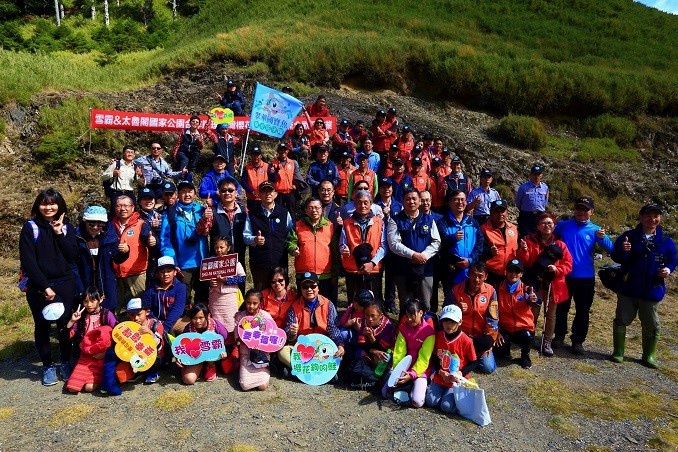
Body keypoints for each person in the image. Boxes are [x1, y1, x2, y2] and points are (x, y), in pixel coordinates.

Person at [19, 189, 79, 386]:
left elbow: (71, 255)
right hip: (39, 287)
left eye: (52, 203)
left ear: (60, 206)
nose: (48, 207)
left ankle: (65, 362)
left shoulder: (67, 227)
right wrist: (45, 286)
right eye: (44, 203)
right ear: (38, 205)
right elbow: (28, 262)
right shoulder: (30, 228)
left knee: (65, 325)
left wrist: (59, 233)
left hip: (65, 284)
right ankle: (47, 366)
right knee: (42, 326)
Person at [610, 203, 676, 368]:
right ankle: (618, 352)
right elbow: (616, 256)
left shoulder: (666, 241)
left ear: (659, 218)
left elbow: (673, 259)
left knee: (651, 324)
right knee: (621, 319)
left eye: (656, 216)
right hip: (628, 288)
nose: (652, 219)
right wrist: (623, 250)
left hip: (652, 290)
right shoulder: (628, 236)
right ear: (640, 217)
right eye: (648, 215)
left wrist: (668, 269)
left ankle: (649, 356)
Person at [553, 196, 614, 354]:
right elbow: (549, 236)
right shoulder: (563, 226)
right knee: (561, 308)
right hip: (565, 275)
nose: (581, 212)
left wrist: (603, 238)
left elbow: (612, 249)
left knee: (583, 310)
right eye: (578, 208)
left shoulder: (596, 230)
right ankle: (559, 336)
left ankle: (578, 341)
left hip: (585, 277)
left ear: (591, 212)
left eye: (585, 209)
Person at [517, 211, 572, 357]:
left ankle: (547, 340)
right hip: (535, 282)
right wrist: (523, 250)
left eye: (550, 223)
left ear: (554, 226)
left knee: (550, 314)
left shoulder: (560, 245)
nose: (547, 226)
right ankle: (531, 336)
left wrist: (557, 269)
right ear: (538, 225)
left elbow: (568, 264)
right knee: (533, 311)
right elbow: (526, 262)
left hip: (553, 284)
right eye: (543, 223)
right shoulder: (530, 241)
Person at [278, 272, 345, 373]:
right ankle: (318, 371)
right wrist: (293, 332)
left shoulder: (328, 304)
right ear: (301, 289)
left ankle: (298, 370)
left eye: (313, 286)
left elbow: (333, 329)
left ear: (318, 287)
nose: (309, 290)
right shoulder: (294, 307)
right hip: (301, 348)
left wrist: (340, 345)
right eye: (305, 287)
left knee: (338, 353)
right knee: (282, 352)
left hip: (322, 347)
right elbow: (289, 336)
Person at [387, 189, 441, 312]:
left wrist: (424, 256)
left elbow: (436, 242)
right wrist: (413, 255)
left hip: (425, 268)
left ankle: (426, 330)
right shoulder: (395, 220)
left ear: (419, 201)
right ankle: (405, 330)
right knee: (406, 304)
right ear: (403, 201)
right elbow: (393, 244)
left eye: (414, 199)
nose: (411, 201)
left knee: (425, 303)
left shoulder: (428, 219)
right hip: (403, 268)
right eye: (408, 199)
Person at [159, 180, 209, 305]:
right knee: (183, 298)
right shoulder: (170, 213)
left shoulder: (201, 210)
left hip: (202, 261)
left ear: (195, 194)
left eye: (190, 191)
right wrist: (172, 262)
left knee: (202, 297)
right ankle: (183, 323)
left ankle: (201, 322)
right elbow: (165, 240)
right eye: (183, 192)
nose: (187, 195)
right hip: (182, 263)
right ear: (178, 194)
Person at [443, 262, 499, 374]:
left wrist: (490, 341)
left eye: (480, 276)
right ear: (468, 274)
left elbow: (493, 318)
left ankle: (468, 355)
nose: (477, 279)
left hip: (479, 337)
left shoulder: (491, 291)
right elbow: (445, 313)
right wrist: (456, 308)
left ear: (486, 276)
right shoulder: (456, 290)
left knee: (489, 368)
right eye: (474, 275)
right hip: (461, 336)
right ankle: (467, 355)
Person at [381, 299, 434, 408]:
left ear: (421, 313)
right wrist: (398, 371)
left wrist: (411, 375)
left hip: (421, 371)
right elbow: (399, 353)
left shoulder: (429, 332)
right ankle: (409, 388)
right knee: (384, 393)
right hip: (404, 369)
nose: (409, 319)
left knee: (417, 402)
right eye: (407, 316)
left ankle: (424, 385)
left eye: (412, 316)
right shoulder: (403, 329)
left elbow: (424, 359)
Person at [425, 304, 477, 413]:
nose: (448, 325)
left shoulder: (466, 340)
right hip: (441, 377)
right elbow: (434, 357)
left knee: (446, 407)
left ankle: (460, 396)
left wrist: (461, 373)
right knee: (431, 402)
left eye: (452, 321)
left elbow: (474, 362)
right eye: (445, 321)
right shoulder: (438, 336)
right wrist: (440, 371)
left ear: (460, 322)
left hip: (456, 380)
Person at [65, 287, 118, 393]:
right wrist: (72, 321)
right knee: (72, 389)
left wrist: (106, 353)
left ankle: (104, 377)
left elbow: (118, 334)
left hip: (102, 356)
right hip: (85, 355)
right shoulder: (81, 317)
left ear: (101, 299)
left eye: (93, 300)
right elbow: (68, 336)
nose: (89, 305)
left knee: (89, 388)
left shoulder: (107, 315)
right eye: (85, 301)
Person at [243, 181, 293, 290]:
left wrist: (293, 247)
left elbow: (291, 235)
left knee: (280, 294)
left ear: (275, 194)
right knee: (261, 294)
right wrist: (255, 239)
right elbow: (246, 236)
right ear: (259, 194)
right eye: (264, 191)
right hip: (260, 262)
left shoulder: (284, 213)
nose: (268, 194)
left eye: (270, 191)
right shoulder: (252, 214)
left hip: (280, 261)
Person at [340, 191, 388, 302]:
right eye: (359, 203)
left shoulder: (379, 222)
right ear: (354, 204)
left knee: (373, 304)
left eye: (366, 202)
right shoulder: (346, 223)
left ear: (371, 204)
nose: (362, 206)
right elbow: (342, 244)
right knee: (354, 304)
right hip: (353, 269)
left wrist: (372, 263)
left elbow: (384, 246)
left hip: (373, 269)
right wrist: (343, 249)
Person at [111, 194, 156, 311]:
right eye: (119, 206)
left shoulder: (141, 224)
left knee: (139, 307)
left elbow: (148, 239)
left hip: (136, 272)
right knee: (116, 308)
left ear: (132, 207)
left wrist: (152, 241)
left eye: (126, 205)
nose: (123, 209)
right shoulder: (110, 225)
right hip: (116, 274)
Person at [436, 190, 484, 295]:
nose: (460, 202)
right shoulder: (442, 223)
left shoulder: (473, 222)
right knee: (452, 301)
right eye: (456, 199)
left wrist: (470, 260)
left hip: (471, 270)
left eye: (462, 199)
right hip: (451, 270)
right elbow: (439, 245)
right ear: (450, 202)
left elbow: (480, 245)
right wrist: (453, 238)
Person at [199, 176, 248, 278]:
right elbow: (202, 232)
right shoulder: (212, 211)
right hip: (218, 259)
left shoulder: (244, 211)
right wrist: (204, 219)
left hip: (239, 257)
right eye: (223, 190)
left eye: (230, 190)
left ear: (236, 192)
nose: (227, 193)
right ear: (219, 192)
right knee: (219, 289)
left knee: (238, 289)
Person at [494, 259, 539, 369]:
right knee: (499, 353)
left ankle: (525, 355)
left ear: (521, 274)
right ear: (506, 271)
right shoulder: (497, 288)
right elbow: (492, 312)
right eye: (510, 270)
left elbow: (535, 300)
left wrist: (534, 299)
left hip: (523, 328)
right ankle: (505, 350)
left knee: (528, 337)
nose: (513, 274)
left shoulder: (527, 290)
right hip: (505, 328)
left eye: (517, 271)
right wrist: (496, 331)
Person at [287, 197, 335, 297]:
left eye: (317, 208)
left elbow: (335, 248)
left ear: (322, 209)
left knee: (324, 305)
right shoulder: (297, 226)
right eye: (311, 208)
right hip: (304, 273)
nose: (314, 210)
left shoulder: (330, 226)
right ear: (305, 210)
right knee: (304, 305)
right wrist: (293, 249)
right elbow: (290, 242)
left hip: (324, 273)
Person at [348, 297, 396, 390]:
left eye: (373, 316)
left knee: (381, 358)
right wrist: (374, 351)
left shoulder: (388, 326)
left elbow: (383, 348)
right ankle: (370, 378)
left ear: (381, 315)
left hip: (385, 353)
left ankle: (380, 378)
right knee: (360, 352)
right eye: (366, 315)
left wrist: (371, 336)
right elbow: (361, 343)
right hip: (371, 351)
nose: (369, 319)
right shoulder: (364, 322)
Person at [115, 297, 163, 385]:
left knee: (156, 358)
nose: (136, 318)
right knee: (121, 371)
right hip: (135, 354)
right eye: (132, 315)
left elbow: (159, 346)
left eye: (139, 314)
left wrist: (150, 333)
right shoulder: (128, 326)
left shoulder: (155, 324)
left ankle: (152, 372)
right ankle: (139, 372)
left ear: (147, 312)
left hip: (153, 354)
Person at [75, 205, 117, 305]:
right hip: (85, 282)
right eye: (91, 224)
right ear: (85, 222)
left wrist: (125, 252)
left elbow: (117, 258)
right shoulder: (76, 237)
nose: (95, 228)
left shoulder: (110, 237)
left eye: (99, 225)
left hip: (106, 283)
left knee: (107, 314)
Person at [179, 303, 229, 384]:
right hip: (196, 357)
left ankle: (210, 366)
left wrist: (225, 352)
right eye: (194, 318)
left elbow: (227, 342)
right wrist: (180, 357)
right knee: (188, 379)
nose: (198, 321)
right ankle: (197, 368)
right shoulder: (188, 329)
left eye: (201, 317)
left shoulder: (217, 327)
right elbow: (183, 347)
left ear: (208, 316)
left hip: (214, 358)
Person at [234, 290, 274, 391]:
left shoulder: (265, 316)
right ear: (245, 301)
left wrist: (261, 345)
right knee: (245, 386)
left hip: (262, 354)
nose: (251, 306)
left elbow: (273, 334)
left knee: (262, 386)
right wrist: (248, 342)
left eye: (255, 303)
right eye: (248, 302)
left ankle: (266, 368)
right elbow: (237, 337)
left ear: (260, 302)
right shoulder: (240, 316)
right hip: (246, 355)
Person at [374, 177, 402, 313]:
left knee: (391, 274)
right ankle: (378, 300)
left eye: (389, 187)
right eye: (383, 187)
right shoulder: (374, 204)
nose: (386, 189)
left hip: (392, 245)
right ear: (379, 189)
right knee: (378, 273)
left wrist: (390, 214)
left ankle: (390, 301)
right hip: (378, 244)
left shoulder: (398, 205)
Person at [207, 236, 246, 333]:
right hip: (215, 298)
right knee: (216, 321)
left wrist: (226, 280)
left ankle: (232, 343)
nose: (218, 250)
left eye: (221, 247)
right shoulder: (210, 263)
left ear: (228, 248)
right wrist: (210, 283)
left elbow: (242, 278)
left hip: (229, 297)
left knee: (231, 320)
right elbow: (204, 279)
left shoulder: (235, 262)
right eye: (216, 247)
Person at [142, 255, 187, 336]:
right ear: (157, 274)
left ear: (175, 272)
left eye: (169, 271)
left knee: (190, 329)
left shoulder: (180, 287)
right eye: (162, 272)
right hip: (154, 321)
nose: (165, 274)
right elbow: (146, 308)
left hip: (175, 321)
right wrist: (156, 323)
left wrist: (165, 327)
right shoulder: (151, 289)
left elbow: (178, 310)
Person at [480, 199, 519, 287]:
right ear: (491, 213)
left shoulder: (513, 228)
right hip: (491, 272)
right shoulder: (483, 229)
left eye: (502, 211)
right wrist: (490, 252)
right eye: (496, 211)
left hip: (510, 272)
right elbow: (479, 250)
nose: (500, 214)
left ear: (507, 212)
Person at [101, 145, 144, 210]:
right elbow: (103, 177)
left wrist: (140, 175)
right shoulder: (115, 164)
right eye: (128, 152)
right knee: (115, 213)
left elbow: (142, 184)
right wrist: (113, 174)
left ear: (134, 155)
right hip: (116, 193)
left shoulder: (136, 167)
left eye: (131, 152)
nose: (130, 154)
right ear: (123, 154)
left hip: (129, 193)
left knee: (132, 212)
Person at [268, 143, 303, 219]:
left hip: (290, 192)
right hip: (278, 194)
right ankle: (280, 230)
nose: (283, 151)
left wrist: (295, 185)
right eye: (281, 149)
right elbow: (271, 179)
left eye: (284, 149)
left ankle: (292, 230)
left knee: (292, 213)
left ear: (287, 151)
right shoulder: (273, 164)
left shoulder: (294, 163)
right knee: (279, 214)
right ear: (278, 151)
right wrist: (273, 172)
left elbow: (297, 176)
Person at [515, 163, 549, 239]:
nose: (536, 177)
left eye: (538, 174)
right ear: (530, 175)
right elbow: (518, 202)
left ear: (541, 175)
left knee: (539, 237)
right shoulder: (523, 187)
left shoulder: (545, 187)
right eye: (534, 174)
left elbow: (545, 201)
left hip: (540, 215)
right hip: (526, 216)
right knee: (525, 237)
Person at [172, 115, 204, 182]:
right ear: (190, 123)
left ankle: (190, 175)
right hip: (182, 152)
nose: (195, 123)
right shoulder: (184, 132)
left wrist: (199, 141)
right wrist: (175, 155)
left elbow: (201, 148)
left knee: (196, 154)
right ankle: (181, 178)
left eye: (197, 122)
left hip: (192, 153)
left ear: (199, 124)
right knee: (185, 160)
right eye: (193, 121)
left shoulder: (200, 135)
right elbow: (178, 143)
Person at [241, 146, 270, 211]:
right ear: (251, 156)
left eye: (257, 155)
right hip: (251, 198)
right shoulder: (247, 167)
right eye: (254, 155)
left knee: (263, 217)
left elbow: (273, 180)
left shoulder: (267, 166)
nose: (256, 157)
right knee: (252, 217)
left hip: (264, 198)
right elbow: (243, 182)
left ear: (261, 156)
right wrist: (251, 191)